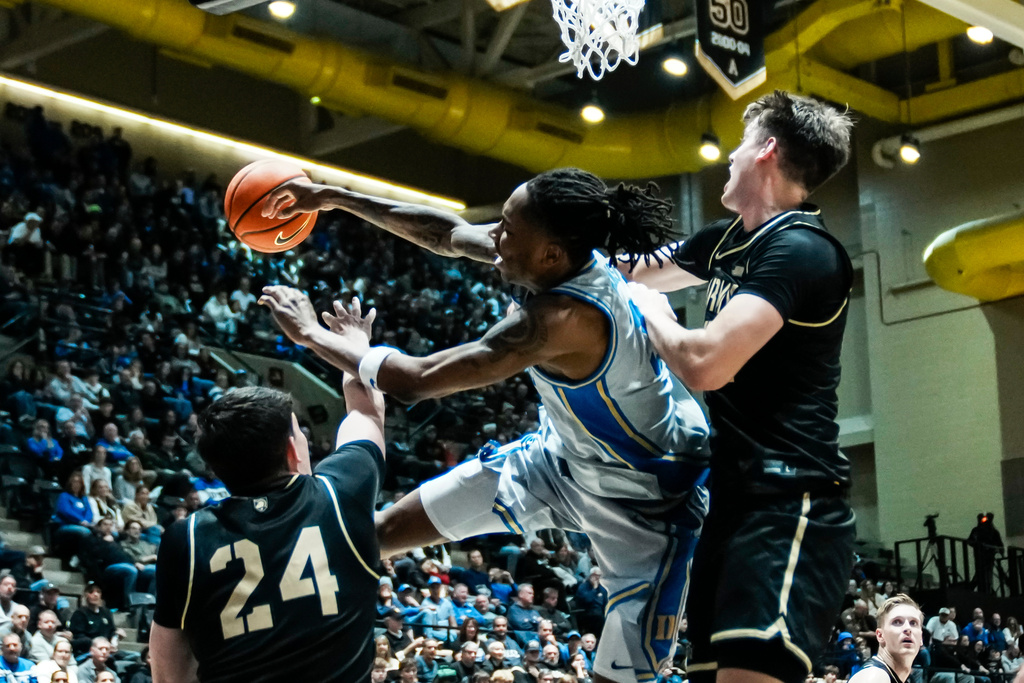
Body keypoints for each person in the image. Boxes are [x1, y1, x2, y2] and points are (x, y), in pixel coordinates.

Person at [260, 166, 712, 683]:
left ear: (550, 253)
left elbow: (416, 379)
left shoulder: (561, 318)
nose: (494, 238)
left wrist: (311, 335)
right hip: (559, 462)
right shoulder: (553, 262)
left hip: (651, 502)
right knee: (376, 533)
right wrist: (330, 196)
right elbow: (446, 233)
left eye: (507, 230)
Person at [621, 90, 857, 683]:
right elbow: (615, 268)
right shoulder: (724, 243)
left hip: (790, 501)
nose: (729, 156)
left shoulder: (803, 249)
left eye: (741, 143)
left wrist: (656, 314)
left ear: (766, 150)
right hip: (731, 501)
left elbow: (705, 364)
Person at [150, 365, 388, 683]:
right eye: (299, 431)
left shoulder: (187, 537)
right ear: (292, 451)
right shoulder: (340, 492)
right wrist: (352, 347)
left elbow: (168, 674)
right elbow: (366, 413)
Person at [847, 596, 923, 683]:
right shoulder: (875, 677)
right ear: (880, 635)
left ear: (921, 638)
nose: (907, 628)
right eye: (897, 621)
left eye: (913, 623)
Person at [68, 584, 122, 657]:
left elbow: (112, 632)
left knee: (134, 656)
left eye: (98, 592)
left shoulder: (106, 612)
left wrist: (116, 638)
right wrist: (100, 645)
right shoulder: (79, 614)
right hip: (88, 651)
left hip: (107, 650)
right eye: (91, 592)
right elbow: (79, 637)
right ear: (86, 595)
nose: (95, 594)